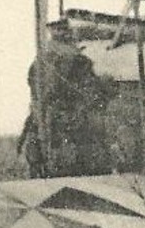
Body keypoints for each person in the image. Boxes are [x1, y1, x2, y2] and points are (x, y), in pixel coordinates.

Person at [20, 18, 114, 177]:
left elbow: (34, 86)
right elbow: (92, 92)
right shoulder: (78, 59)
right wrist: (106, 85)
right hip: (68, 128)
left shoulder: (40, 59)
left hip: (43, 126)